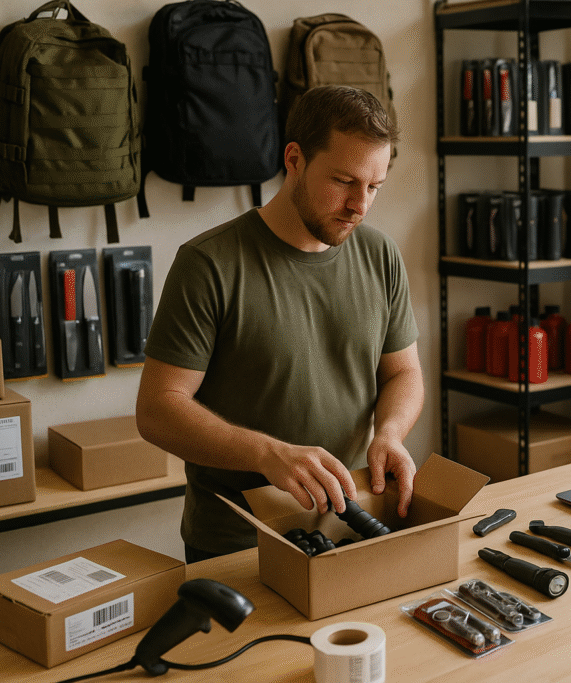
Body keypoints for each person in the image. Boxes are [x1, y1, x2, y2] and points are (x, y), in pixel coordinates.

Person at [136, 85, 423, 563]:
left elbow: (403, 373)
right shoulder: (209, 263)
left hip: (349, 527)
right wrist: (266, 454)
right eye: (344, 181)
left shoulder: (380, 255)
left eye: (374, 187)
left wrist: (389, 433)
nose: (360, 205)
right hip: (238, 545)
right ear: (294, 160)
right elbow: (157, 410)